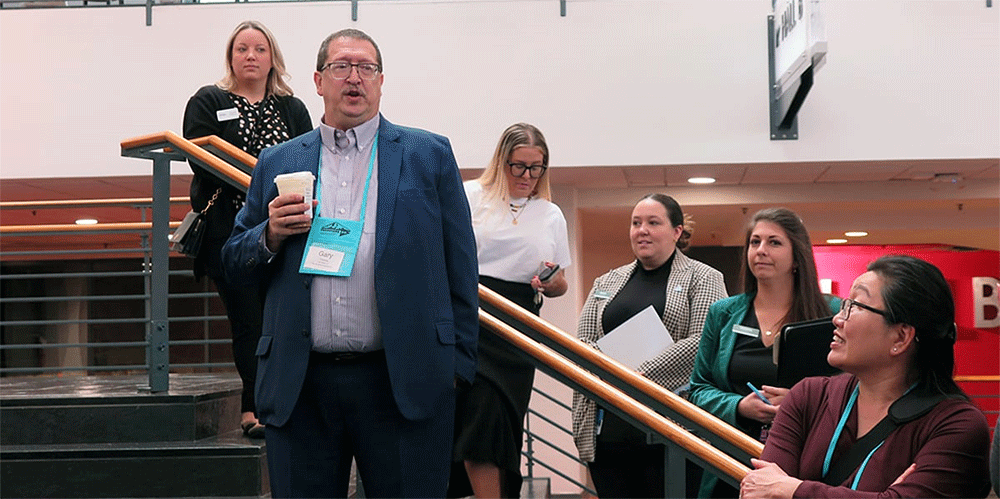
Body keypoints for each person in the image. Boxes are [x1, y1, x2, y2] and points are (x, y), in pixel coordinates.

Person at [220, 28, 479, 498]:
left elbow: (461, 265)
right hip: (302, 386)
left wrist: (456, 365)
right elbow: (234, 262)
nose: (354, 78)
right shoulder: (277, 162)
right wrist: (270, 235)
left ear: (381, 82)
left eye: (367, 67)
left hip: (402, 381)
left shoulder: (429, 155)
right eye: (342, 67)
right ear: (319, 81)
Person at [740, 255, 991, 498]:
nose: (837, 319)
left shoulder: (957, 425)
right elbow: (762, 491)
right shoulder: (808, 397)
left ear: (900, 337)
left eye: (855, 306)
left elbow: (775, 489)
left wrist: (792, 489)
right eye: (844, 305)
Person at [182, 20, 312, 438]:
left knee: (287, 320)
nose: (250, 56)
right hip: (231, 235)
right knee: (249, 322)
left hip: (287, 232)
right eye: (242, 49)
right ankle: (255, 406)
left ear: (272, 57)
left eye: (259, 49)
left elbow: (311, 161)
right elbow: (202, 159)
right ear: (231, 57)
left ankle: (285, 400)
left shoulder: (291, 108)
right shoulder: (209, 100)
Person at [571, 194, 727, 499]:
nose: (642, 230)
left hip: (672, 429)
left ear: (677, 231)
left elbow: (702, 344)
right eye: (636, 223)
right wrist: (617, 378)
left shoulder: (705, 277)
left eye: (653, 223)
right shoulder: (606, 281)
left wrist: (635, 376)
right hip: (610, 430)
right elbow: (582, 346)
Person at [450, 123, 571, 499]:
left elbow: (562, 281)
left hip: (519, 327)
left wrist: (551, 283)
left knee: (504, 426)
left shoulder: (550, 213)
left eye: (537, 168)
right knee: (478, 424)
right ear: (501, 162)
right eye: (519, 166)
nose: (527, 176)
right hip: (473, 318)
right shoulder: (470, 195)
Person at [688, 207, 840, 497]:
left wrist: (802, 401)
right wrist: (739, 406)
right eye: (754, 242)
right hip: (732, 457)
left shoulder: (832, 313)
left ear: (797, 256)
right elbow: (698, 389)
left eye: (774, 242)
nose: (761, 250)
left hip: (804, 460)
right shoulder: (723, 313)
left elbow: (858, 386)